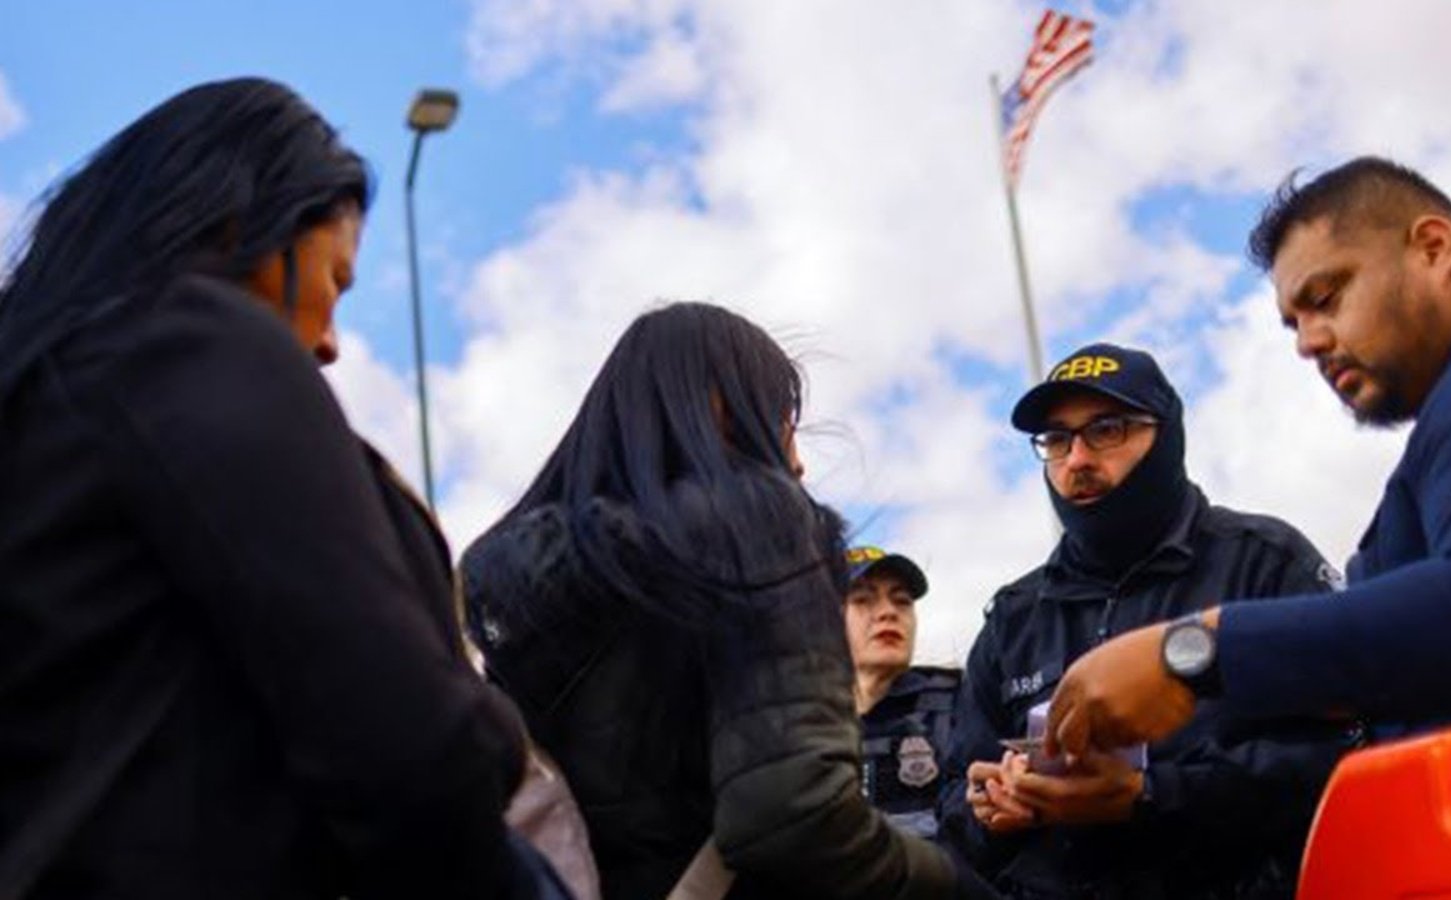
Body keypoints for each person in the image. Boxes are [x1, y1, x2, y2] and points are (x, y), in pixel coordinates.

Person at [0, 79, 545, 900]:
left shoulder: (43, 398)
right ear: (235, 228)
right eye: (334, 279)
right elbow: (403, 738)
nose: (328, 344)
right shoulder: (189, 341)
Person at [1046, 157, 1451, 782]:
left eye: (1326, 298)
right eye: (1294, 322)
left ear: (1434, 248)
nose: (1307, 342)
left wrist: (1193, 650)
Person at [462, 302, 997, 900]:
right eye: (782, 417)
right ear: (722, 410)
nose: (797, 460)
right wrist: (957, 887)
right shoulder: (757, 520)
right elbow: (795, 815)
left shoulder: (528, 595)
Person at [940, 343, 1351, 899]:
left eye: (1106, 430)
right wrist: (989, 810)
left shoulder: (1264, 562)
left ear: (1167, 435)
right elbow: (953, 810)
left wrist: (1151, 793)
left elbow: (1339, 760)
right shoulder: (1015, 617)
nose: (1077, 459)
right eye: (1057, 440)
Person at [843, 545, 961, 838]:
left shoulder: (958, 702)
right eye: (863, 600)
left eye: (902, 601)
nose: (888, 612)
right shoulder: (793, 724)